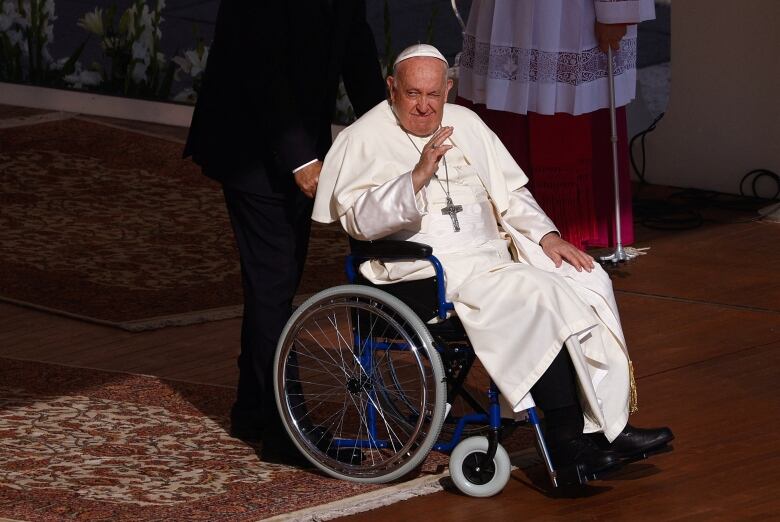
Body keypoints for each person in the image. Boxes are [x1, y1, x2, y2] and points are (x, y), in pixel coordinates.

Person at [312, 44, 672, 479]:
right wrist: (417, 177)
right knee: (540, 295)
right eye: (412, 95)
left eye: (433, 95)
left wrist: (547, 236)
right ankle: (566, 440)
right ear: (392, 88)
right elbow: (358, 220)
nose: (424, 107)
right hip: (425, 271)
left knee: (584, 277)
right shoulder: (362, 137)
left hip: (493, 258)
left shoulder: (465, 122)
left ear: (448, 89)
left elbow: (511, 193)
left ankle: (607, 427)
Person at [183, 1, 387, 463]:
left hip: (298, 138)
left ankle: (252, 409)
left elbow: (355, 47)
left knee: (275, 284)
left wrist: (391, 137)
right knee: (273, 286)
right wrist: (300, 158)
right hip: (251, 146)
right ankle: (284, 431)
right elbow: (262, 68)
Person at [457, 0, 656, 250]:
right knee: (503, 101)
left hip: (565, 15)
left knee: (561, 100)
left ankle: (561, 229)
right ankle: (500, 226)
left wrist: (615, 12)